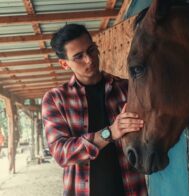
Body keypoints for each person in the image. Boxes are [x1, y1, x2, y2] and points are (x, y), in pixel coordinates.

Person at [42, 24, 147, 196]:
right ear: (64, 64)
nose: (89, 60)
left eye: (91, 50)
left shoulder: (127, 89)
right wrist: (111, 132)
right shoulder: (55, 99)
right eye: (78, 57)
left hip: (131, 189)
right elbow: (61, 153)